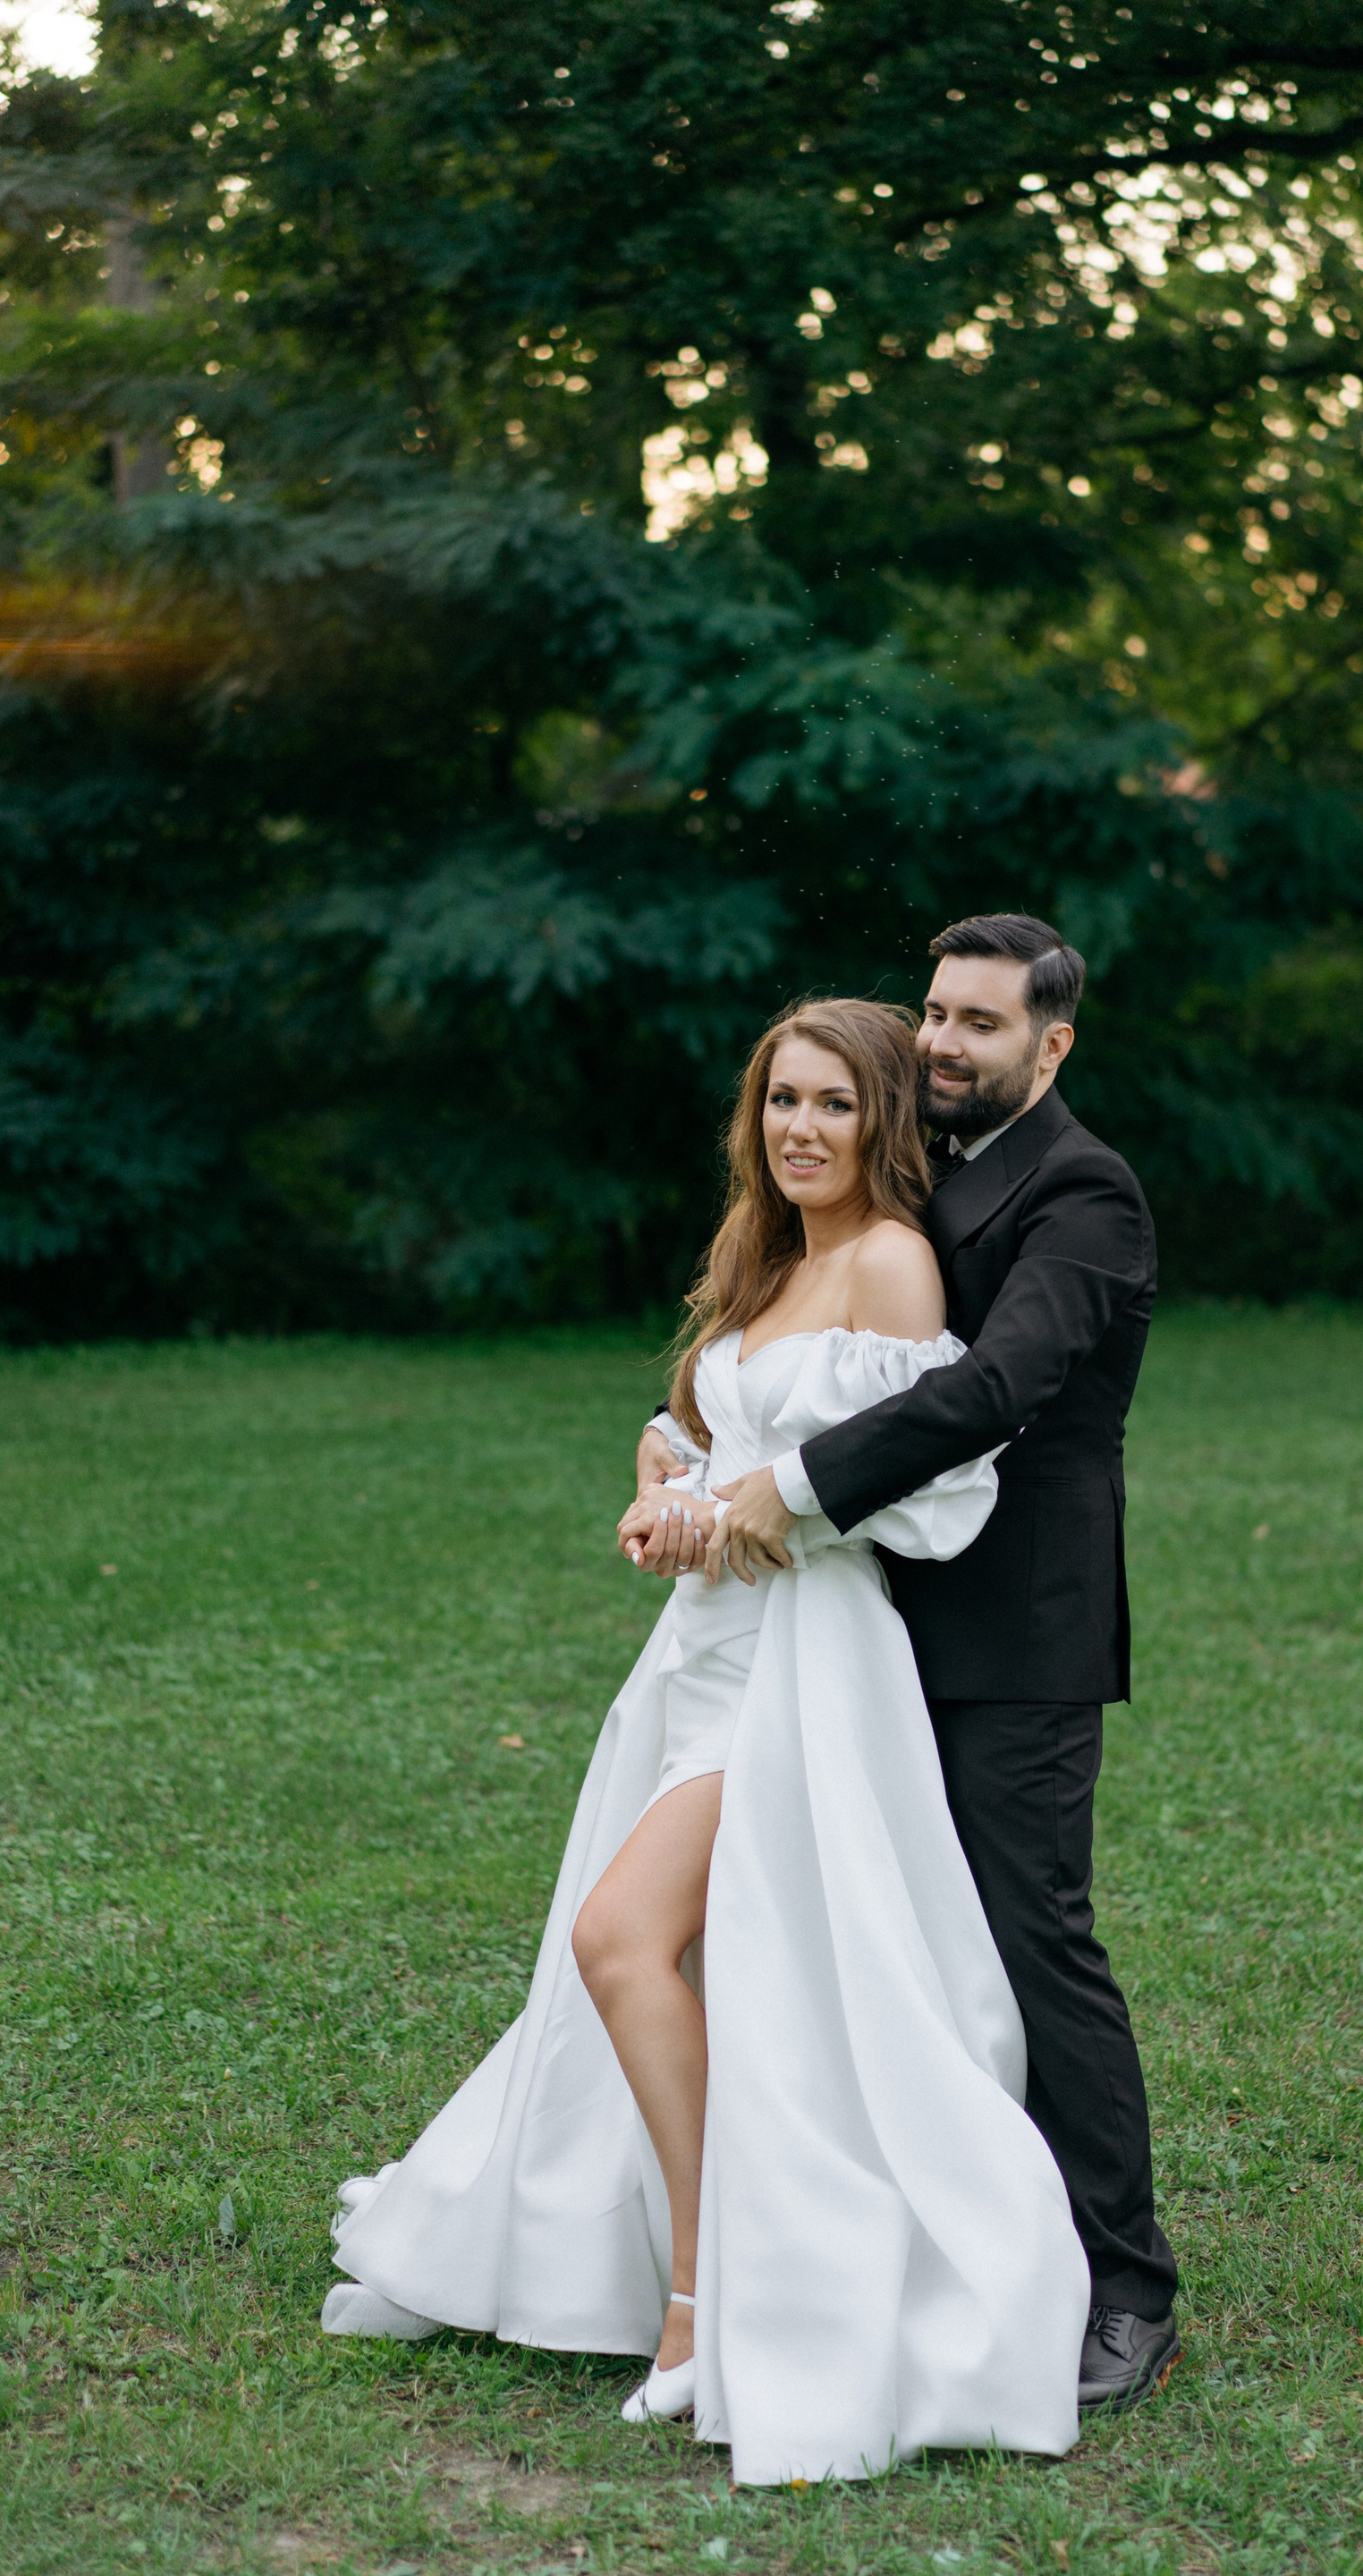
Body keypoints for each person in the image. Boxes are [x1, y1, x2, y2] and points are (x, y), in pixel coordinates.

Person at [320, 996, 1091, 2488]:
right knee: (679, 1959)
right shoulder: (767, 1254)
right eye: (782, 1100)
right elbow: (705, 1432)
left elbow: (921, 1480)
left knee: (622, 1939)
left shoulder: (891, 1261)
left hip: (804, 1665)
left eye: (834, 1104)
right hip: (701, 1657)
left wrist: (762, 1509)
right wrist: (663, 1486)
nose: (802, 1128)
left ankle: (701, 2291)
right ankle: (695, 2265)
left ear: (881, 1120)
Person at [638, 917, 1180, 2413]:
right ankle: (903, 2239)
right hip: (855, 1629)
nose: (942, 1041)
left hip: (1013, 1632)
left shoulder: (1084, 1192)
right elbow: (799, 1346)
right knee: (874, 1945)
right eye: (935, 1013)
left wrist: (792, 1489)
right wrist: (685, 1447)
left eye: (979, 1023)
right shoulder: (918, 1170)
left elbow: (1002, 1384)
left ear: (1051, 1045)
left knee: (1027, 1940)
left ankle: (1127, 2286)